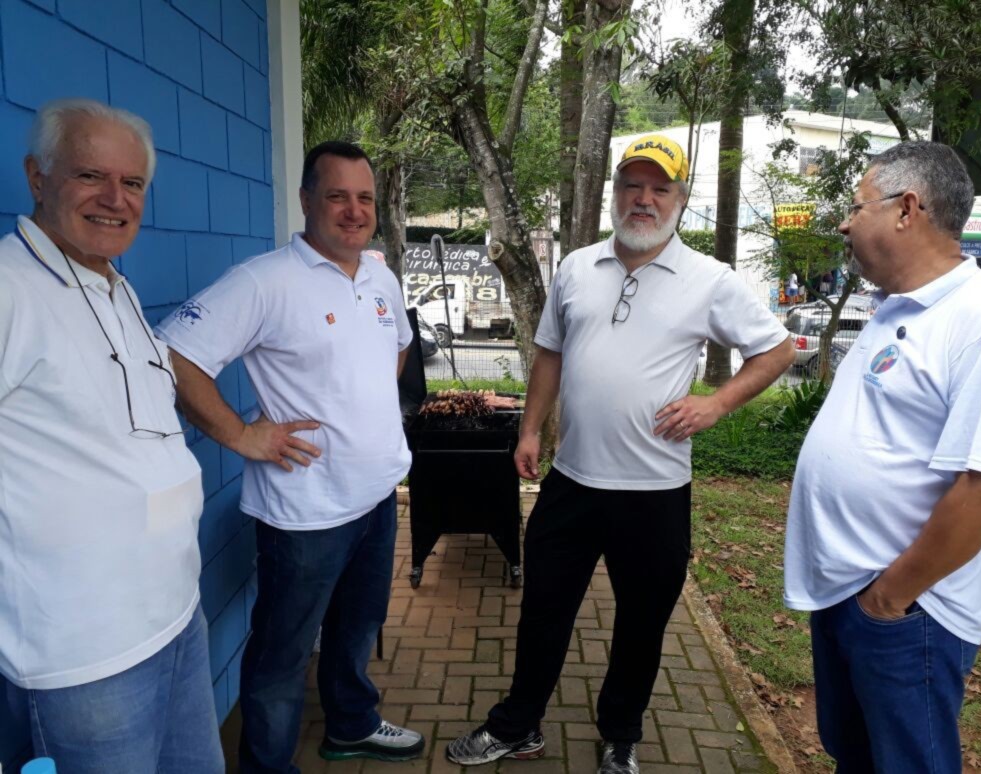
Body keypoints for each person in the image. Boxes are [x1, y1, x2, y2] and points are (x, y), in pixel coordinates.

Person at [446, 134, 794, 774]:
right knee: (543, 612)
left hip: (655, 492)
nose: (644, 199)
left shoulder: (710, 280)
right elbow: (550, 352)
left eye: (660, 188)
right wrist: (530, 430)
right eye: (633, 185)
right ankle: (518, 725)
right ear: (615, 193)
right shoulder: (578, 268)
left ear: (680, 200)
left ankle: (621, 736)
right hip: (572, 482)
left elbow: (777, 350)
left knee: (642, 623)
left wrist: (716, 404)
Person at [155, 141, 423, 773]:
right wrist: (242, 435)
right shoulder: (265, 281)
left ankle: (351, 725)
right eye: (337, 196)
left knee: (357, 629)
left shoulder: (380, 277)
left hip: (377, 497)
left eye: (364, 198)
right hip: (305, 512)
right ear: (306, 200)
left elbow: (398, 346)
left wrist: (364, 411)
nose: (354, 211)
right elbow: (173, 355)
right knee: (283, 654)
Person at [783, 141, 981, 773]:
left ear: (906, 209)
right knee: (856, 755)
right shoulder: (895, 307)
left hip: (907, 611)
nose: (845, 224)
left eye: (857, 206)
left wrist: (889, 600)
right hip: (847, 589)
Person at [0, 99, 222, 773]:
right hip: (83, 656)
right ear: (38, 178)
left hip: (177, 614)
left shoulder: (114, 287)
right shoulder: (9, 288)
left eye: (132, 183)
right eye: (90, 175)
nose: (114, 199)